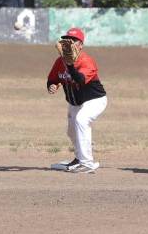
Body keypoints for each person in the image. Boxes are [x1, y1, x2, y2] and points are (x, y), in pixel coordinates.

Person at [46, 27, 108, 173]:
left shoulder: (86, 61)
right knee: (72, 131)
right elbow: (52, 79)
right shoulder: (59, 62)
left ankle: (87, 163)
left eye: (73, 40)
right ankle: (79, 158)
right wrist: (52, 86)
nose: (69, 43)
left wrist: (69, 65)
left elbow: (80, 80)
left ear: (81, 45)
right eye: (67, 39)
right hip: (74, 103)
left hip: (95, 100)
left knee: (81, 120)